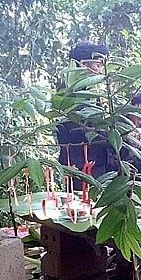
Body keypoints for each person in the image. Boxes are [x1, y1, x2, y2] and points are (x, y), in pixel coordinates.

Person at [56, 41, 115, 178]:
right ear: (83, 64)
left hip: (96, 162)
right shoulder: (69, 93)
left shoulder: (92, 92)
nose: (101, 71)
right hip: (80, 166)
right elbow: (80, 130)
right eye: (98, 65)